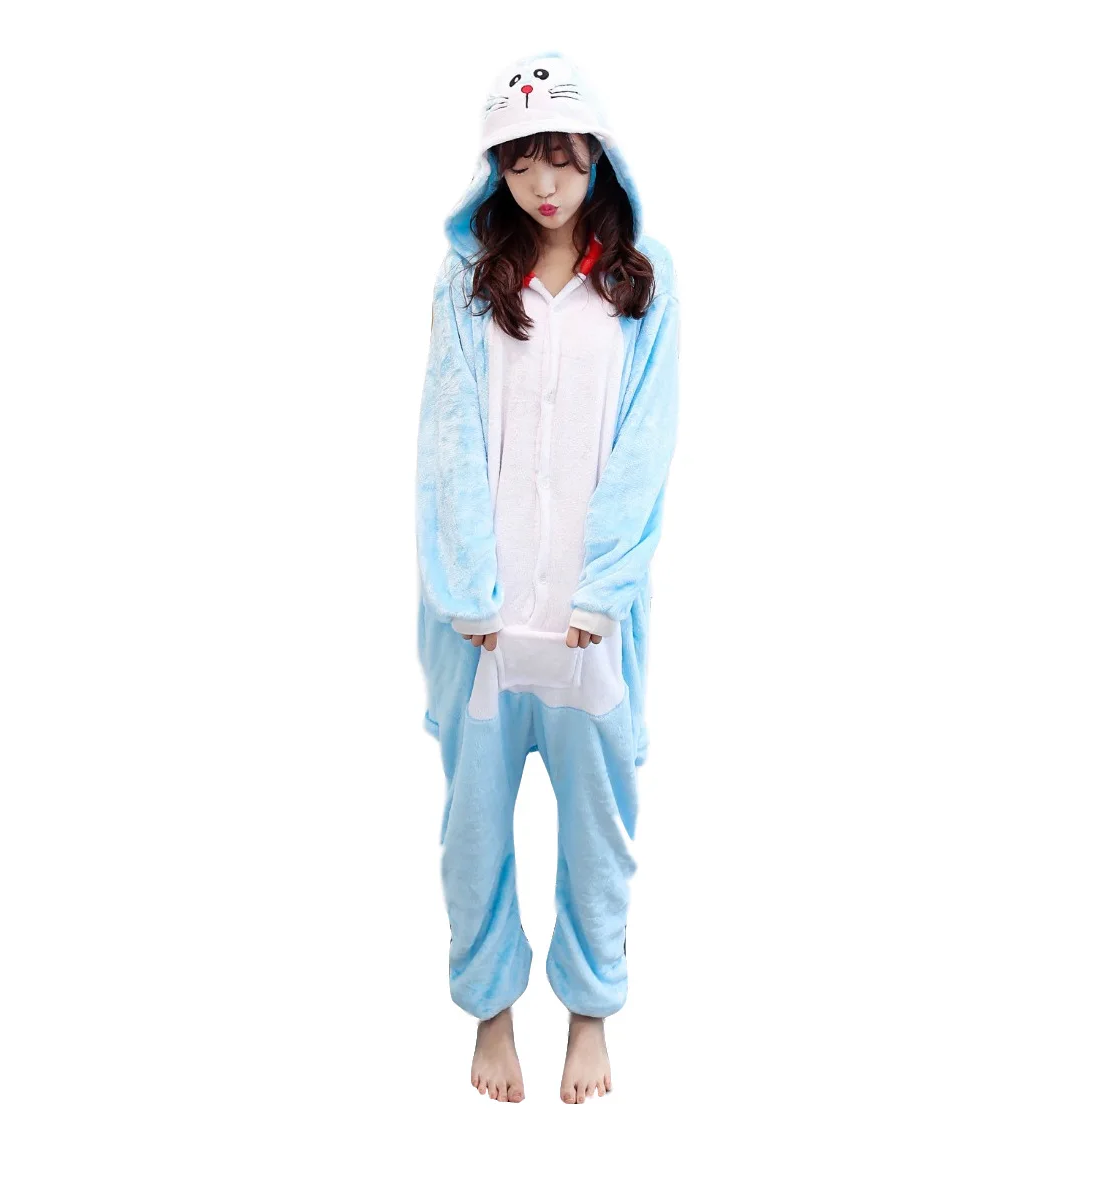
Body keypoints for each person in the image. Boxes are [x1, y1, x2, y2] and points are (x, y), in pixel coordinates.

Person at [415, 49, 680, 1104]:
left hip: (591, 624)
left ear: (597, 158)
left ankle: (590, 1011)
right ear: (498, 169)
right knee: (474, 827)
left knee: (599, 830)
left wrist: (601, 592)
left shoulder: (641, 283)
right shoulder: (469, 282)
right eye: (521, 162)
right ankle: (490, 1011)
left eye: (562, 159)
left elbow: (647, 445)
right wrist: (468, 596)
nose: (544, 184)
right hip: (480, 624)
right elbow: (445, 443)